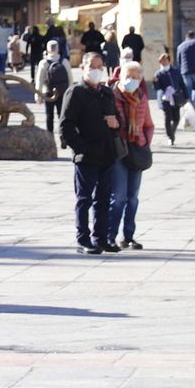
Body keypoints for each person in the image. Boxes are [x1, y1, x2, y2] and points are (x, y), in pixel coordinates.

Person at [60, 55, 122, 254]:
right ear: (83, 67)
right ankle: (83, 239)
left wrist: (116, 123)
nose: (96, 70)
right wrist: (81, 147)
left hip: (107, 154)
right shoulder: (76, 92)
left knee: (103, 199)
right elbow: (65, 126)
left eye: (99, 66)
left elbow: (117, 118)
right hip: (86, 156)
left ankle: (101, 238)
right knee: (84, 199)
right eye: (92, 66)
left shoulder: (106, 92)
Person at [109, 60, 155, 250]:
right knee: (118, 197)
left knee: (133, 198)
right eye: (129, 76)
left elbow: (148, 125)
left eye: (136, 77)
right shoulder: (111, 96)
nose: (132, 80)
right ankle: (110, 235)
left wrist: (145, 142)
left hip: (137, 150)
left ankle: (128, 235)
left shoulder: (141, 97)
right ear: (120, 76)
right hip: (119, 151)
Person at [35, 40, 71, 135]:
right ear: (58, 49)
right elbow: (70, 78)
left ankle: (50, 135)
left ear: (47, 49)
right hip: (62, 92)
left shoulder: (43, 63)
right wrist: (70, 93)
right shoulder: (64, 61)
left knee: (49, 115)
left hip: (48, 92)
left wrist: (38, 95)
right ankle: (63, 135)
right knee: (62, 115)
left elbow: (39, 80)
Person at [153, 51, 184, 145]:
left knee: (176, 118)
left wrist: (186, 96)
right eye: (162, 62)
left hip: (175, 98)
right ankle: (170, 137)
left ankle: (172, 132)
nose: (164, 63)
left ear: (169, 61)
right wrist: (155, 82)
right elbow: (157, 88)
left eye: (165, 61)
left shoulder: (175, 71)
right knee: (167, 118)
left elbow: (182, 84)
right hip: (165, 99)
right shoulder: (158, 74)